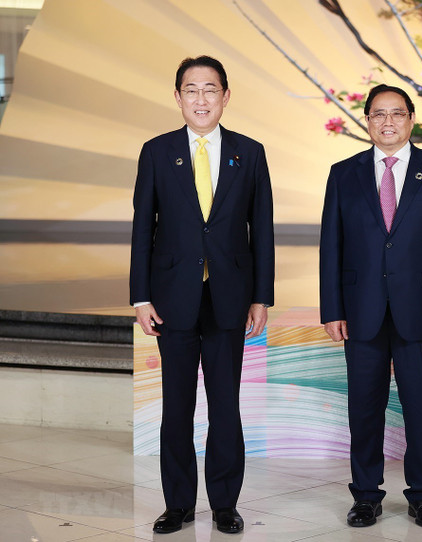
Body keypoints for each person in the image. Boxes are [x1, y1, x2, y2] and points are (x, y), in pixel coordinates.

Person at [130, 55, 274, 535]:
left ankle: (225, 504)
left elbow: (263, 231)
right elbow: (141, 229)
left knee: (225, 406)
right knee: (176, 406)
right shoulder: (157, 151)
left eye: (210, 89)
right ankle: (178, 505)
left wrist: (262, 296)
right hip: (172, 298)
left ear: (226, 96)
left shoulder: (249, 153)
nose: (201, 99)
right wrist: (140, 297)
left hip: (230, 296)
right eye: (191, 89)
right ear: (177, 97)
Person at [319, 84, 422, 529]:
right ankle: (366, 496)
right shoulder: (342, 174)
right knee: (363, 408)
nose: (388, 122)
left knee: (421, 407)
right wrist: (332, 309)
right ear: (367, 121)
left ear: (411, 120)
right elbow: (331, 246)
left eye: (397, 114)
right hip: (360, 309)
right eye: (378, 114)